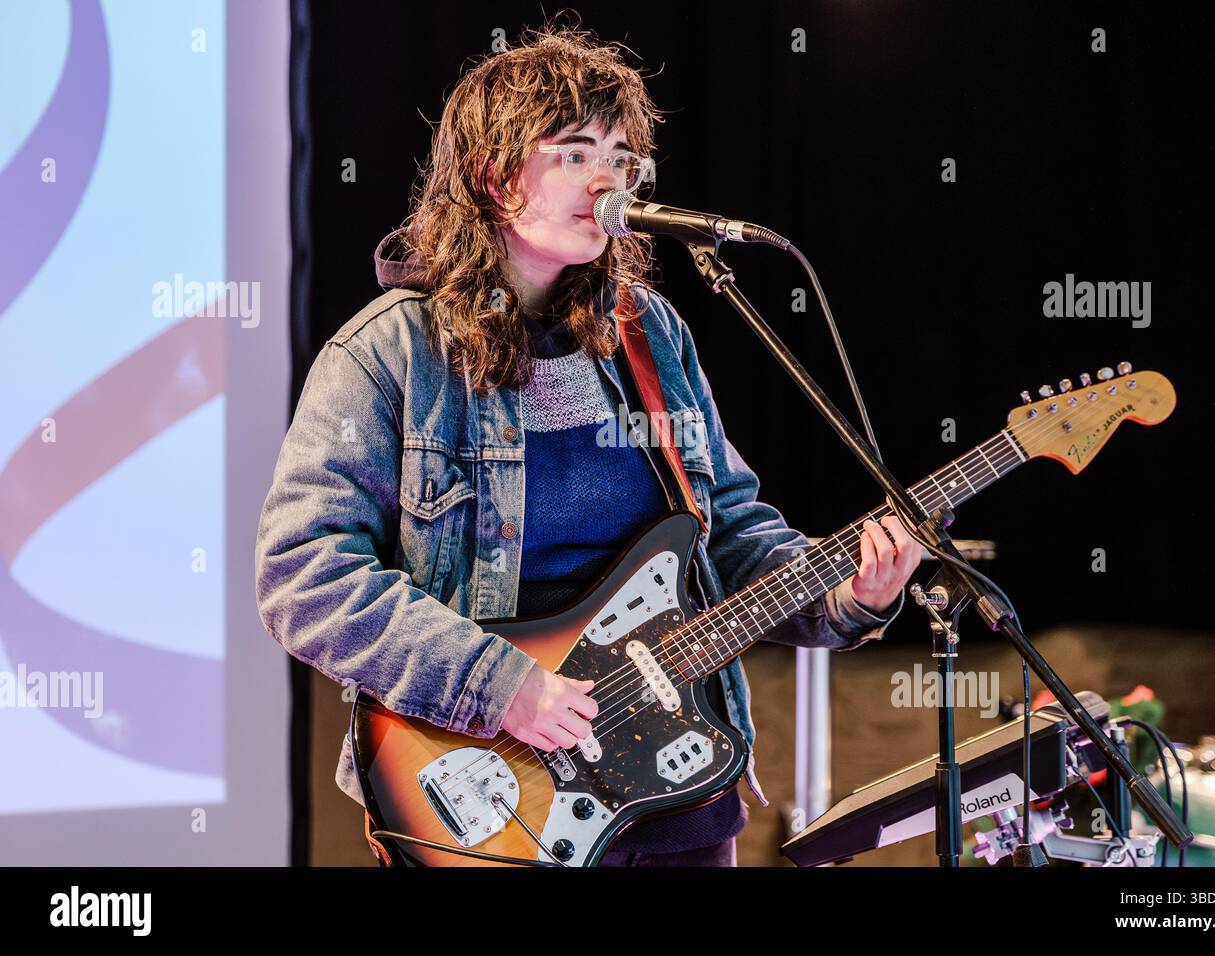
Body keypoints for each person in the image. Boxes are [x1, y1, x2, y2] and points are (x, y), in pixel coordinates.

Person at [254, 21, 923, 867]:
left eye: (622, 155)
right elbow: (303, 573)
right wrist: (500, 686)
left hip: (679, 794)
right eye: (573, 151)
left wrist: (849, 596)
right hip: (492, 797)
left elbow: (726, 533)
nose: (609, 177)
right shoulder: (389, 353)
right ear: (495, 175)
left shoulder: (651, 333)